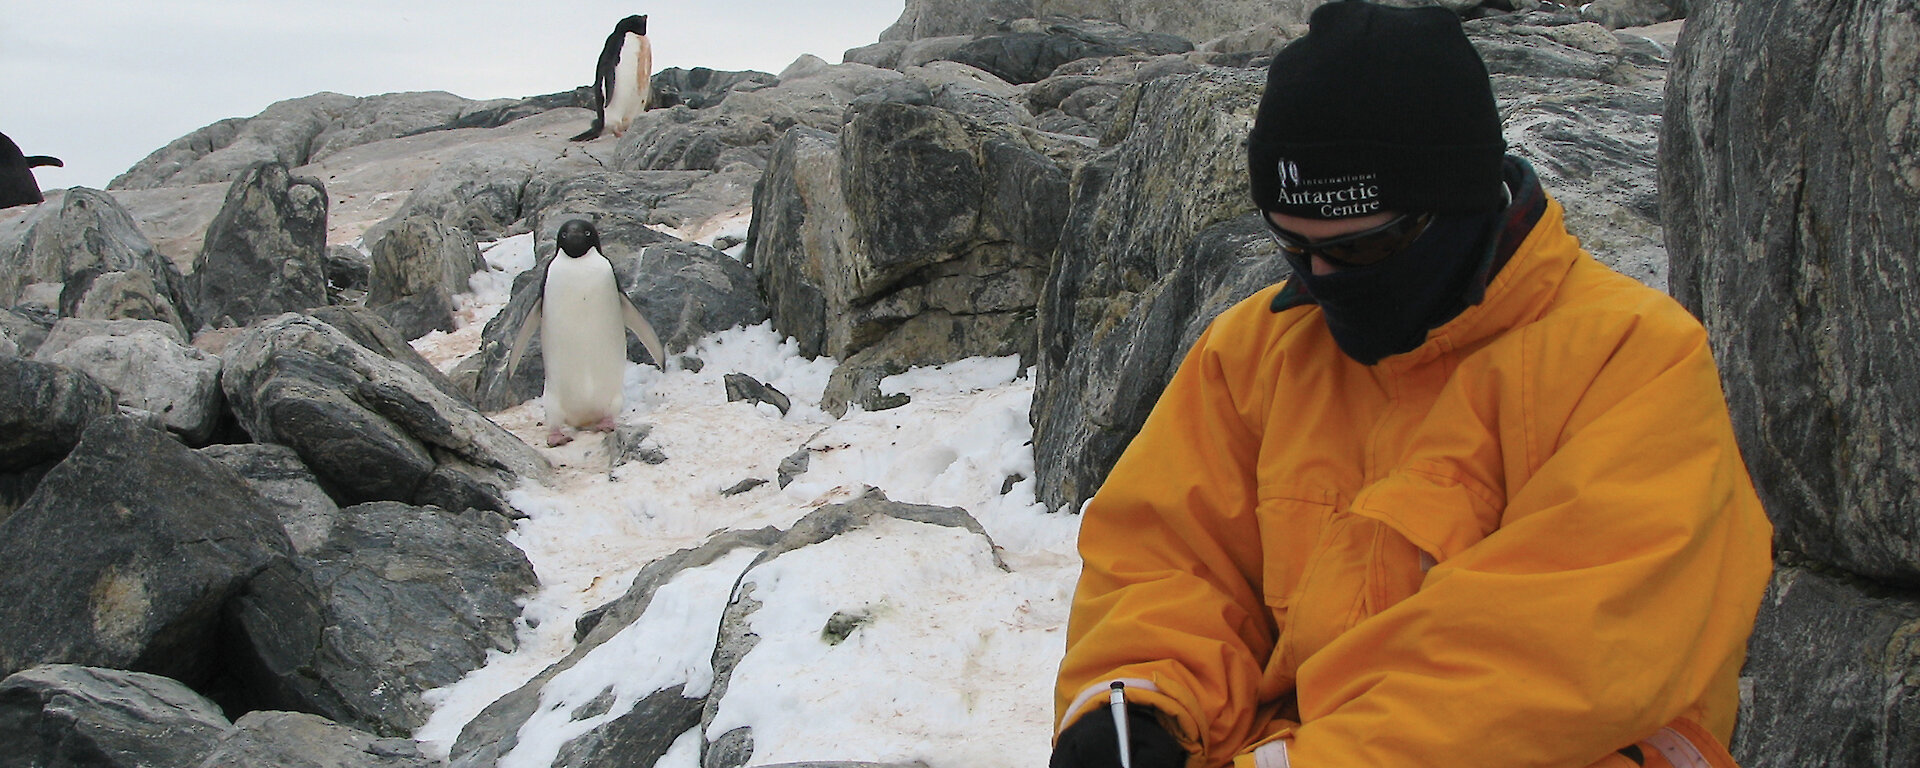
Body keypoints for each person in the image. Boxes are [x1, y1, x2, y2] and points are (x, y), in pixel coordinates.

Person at [1047, 2, 1775, 767]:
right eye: (1292, 247)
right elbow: (1168, 565)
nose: (1322, 280)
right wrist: (1134, 709)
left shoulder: (1630, 361)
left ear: (1458, 204)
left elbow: (1541, 670)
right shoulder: (1255, 353)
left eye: (1365, 248)